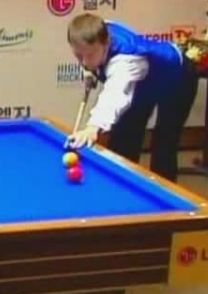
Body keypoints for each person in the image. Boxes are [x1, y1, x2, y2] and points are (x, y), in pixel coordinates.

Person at [66, 13, 199, 183]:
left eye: (90, 56)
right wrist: (92, 69)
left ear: (106, 43)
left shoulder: (126, 61)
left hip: (177, 78)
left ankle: (164, 195)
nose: (84, 62)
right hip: (142, 85)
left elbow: (114, 95)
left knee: (164, 143)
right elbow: (91, 56)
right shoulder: (98, 30)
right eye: (78, 56)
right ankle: (120, 186)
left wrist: (92, 128)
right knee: (123, 140)